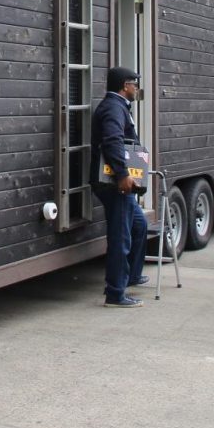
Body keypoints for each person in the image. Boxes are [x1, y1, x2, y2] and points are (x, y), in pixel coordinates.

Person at [90, 66, 149, 308]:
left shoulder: (117, 106)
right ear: (125, 86)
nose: (136, 88)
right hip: (116, 184)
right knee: (120, 236)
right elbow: (112, 141)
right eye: (134, 84)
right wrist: (123, 174)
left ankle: (132, 275)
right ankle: (115, 293)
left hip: (118, 183)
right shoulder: (114, 108)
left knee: (139, 224)